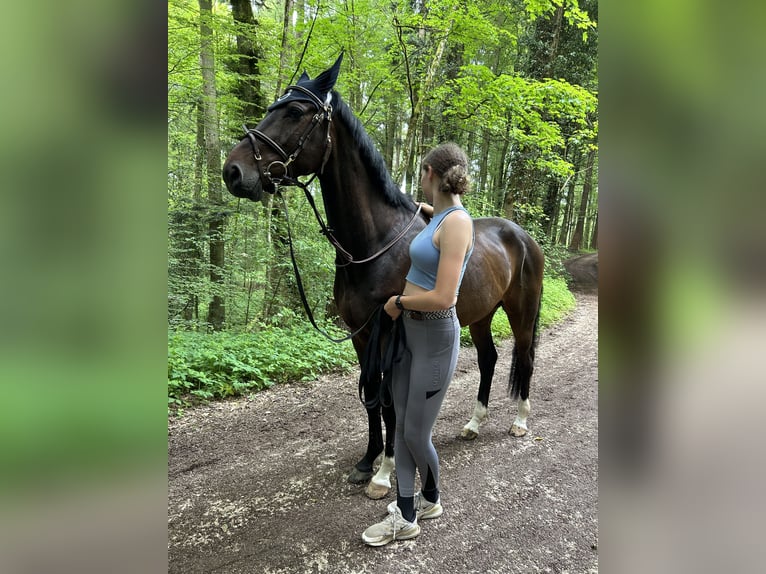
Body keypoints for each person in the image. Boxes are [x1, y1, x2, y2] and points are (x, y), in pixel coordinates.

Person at [362, 143, 475, 547]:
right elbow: (431, 216)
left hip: (434, 335)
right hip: (410, 334)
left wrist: (400, 303)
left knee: (415, 432)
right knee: (403, 427)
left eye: (421, 174)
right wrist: (406, 203)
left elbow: (445, 296)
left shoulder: (458, 223)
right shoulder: (439, 215)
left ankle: (410, 514)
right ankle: (423, 502)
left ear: (430, 172)